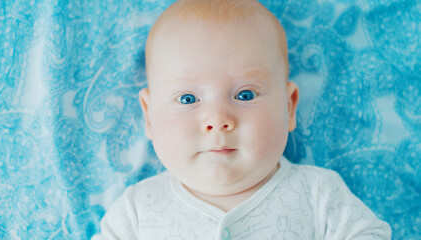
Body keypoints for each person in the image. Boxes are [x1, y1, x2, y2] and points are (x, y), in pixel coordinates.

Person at [92, 0, 391, 239]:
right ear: (148, 116)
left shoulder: (319, 194)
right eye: (187, 99)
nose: (218, 120)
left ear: (289, 107)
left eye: (245, 95)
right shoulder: (137, 209)